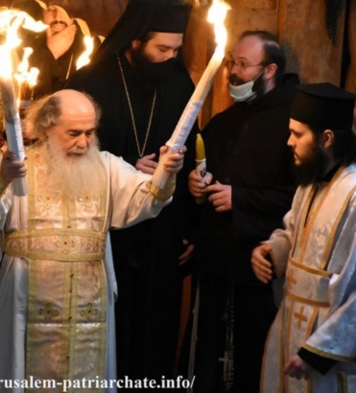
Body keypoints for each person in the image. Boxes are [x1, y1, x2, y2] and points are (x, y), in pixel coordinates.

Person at [0, 89, 186, 391]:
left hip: (89, 298)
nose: (83, 143)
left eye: (90, 133)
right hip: (25, 298)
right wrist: (2, 175)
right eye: (74, 133)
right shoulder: (18, 165)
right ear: (46, 126)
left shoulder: (105, 166)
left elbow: (146, 199)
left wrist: (165, 172)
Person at [65, 0, 198, 383]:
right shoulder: (91, 82)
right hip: (108, 237)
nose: (171, 58)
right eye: (162, 49)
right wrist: (125, 169)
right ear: (136, 42)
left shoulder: (180, 83)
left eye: (176, 50)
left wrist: (188, 224)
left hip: (161, 235)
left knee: (155, 333)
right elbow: (72, 155)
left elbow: (192, 154)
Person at [187, 31, 298, 391]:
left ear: (269, 70)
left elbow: (301, 197)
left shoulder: (295, 120)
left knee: (253, 362)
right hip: (218, 262)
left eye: (242, 65)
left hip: (263, 263)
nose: (232, 72)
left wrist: (241, 198)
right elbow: (206, 174)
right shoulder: (224, 121)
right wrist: (197, 186)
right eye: (231, 63)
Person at [251, 83, 356, 392]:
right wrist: (271, 251)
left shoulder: (352, 193)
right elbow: (294, 232)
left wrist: (320, 349)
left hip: (325, 345)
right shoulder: (309, 182)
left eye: (298, 134)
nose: (289, 142)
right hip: (289, 327)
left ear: (327, 138)